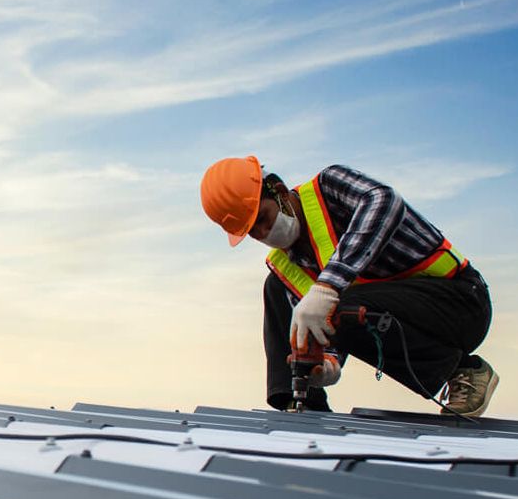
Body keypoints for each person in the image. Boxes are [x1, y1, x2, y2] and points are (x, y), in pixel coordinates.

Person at [199, 156, 498, 416]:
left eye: (264, 218)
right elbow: (335, 318)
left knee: (340, 299)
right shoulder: (288, 265)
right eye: (254, 232)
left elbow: (384, 201)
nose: (265, 232)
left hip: (460, 304)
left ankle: (464, 370)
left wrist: (328, 286)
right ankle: (301, 401)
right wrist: (326, 361)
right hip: (393, 315)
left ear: (278, 190)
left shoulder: (329, 188)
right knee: (276, 287)